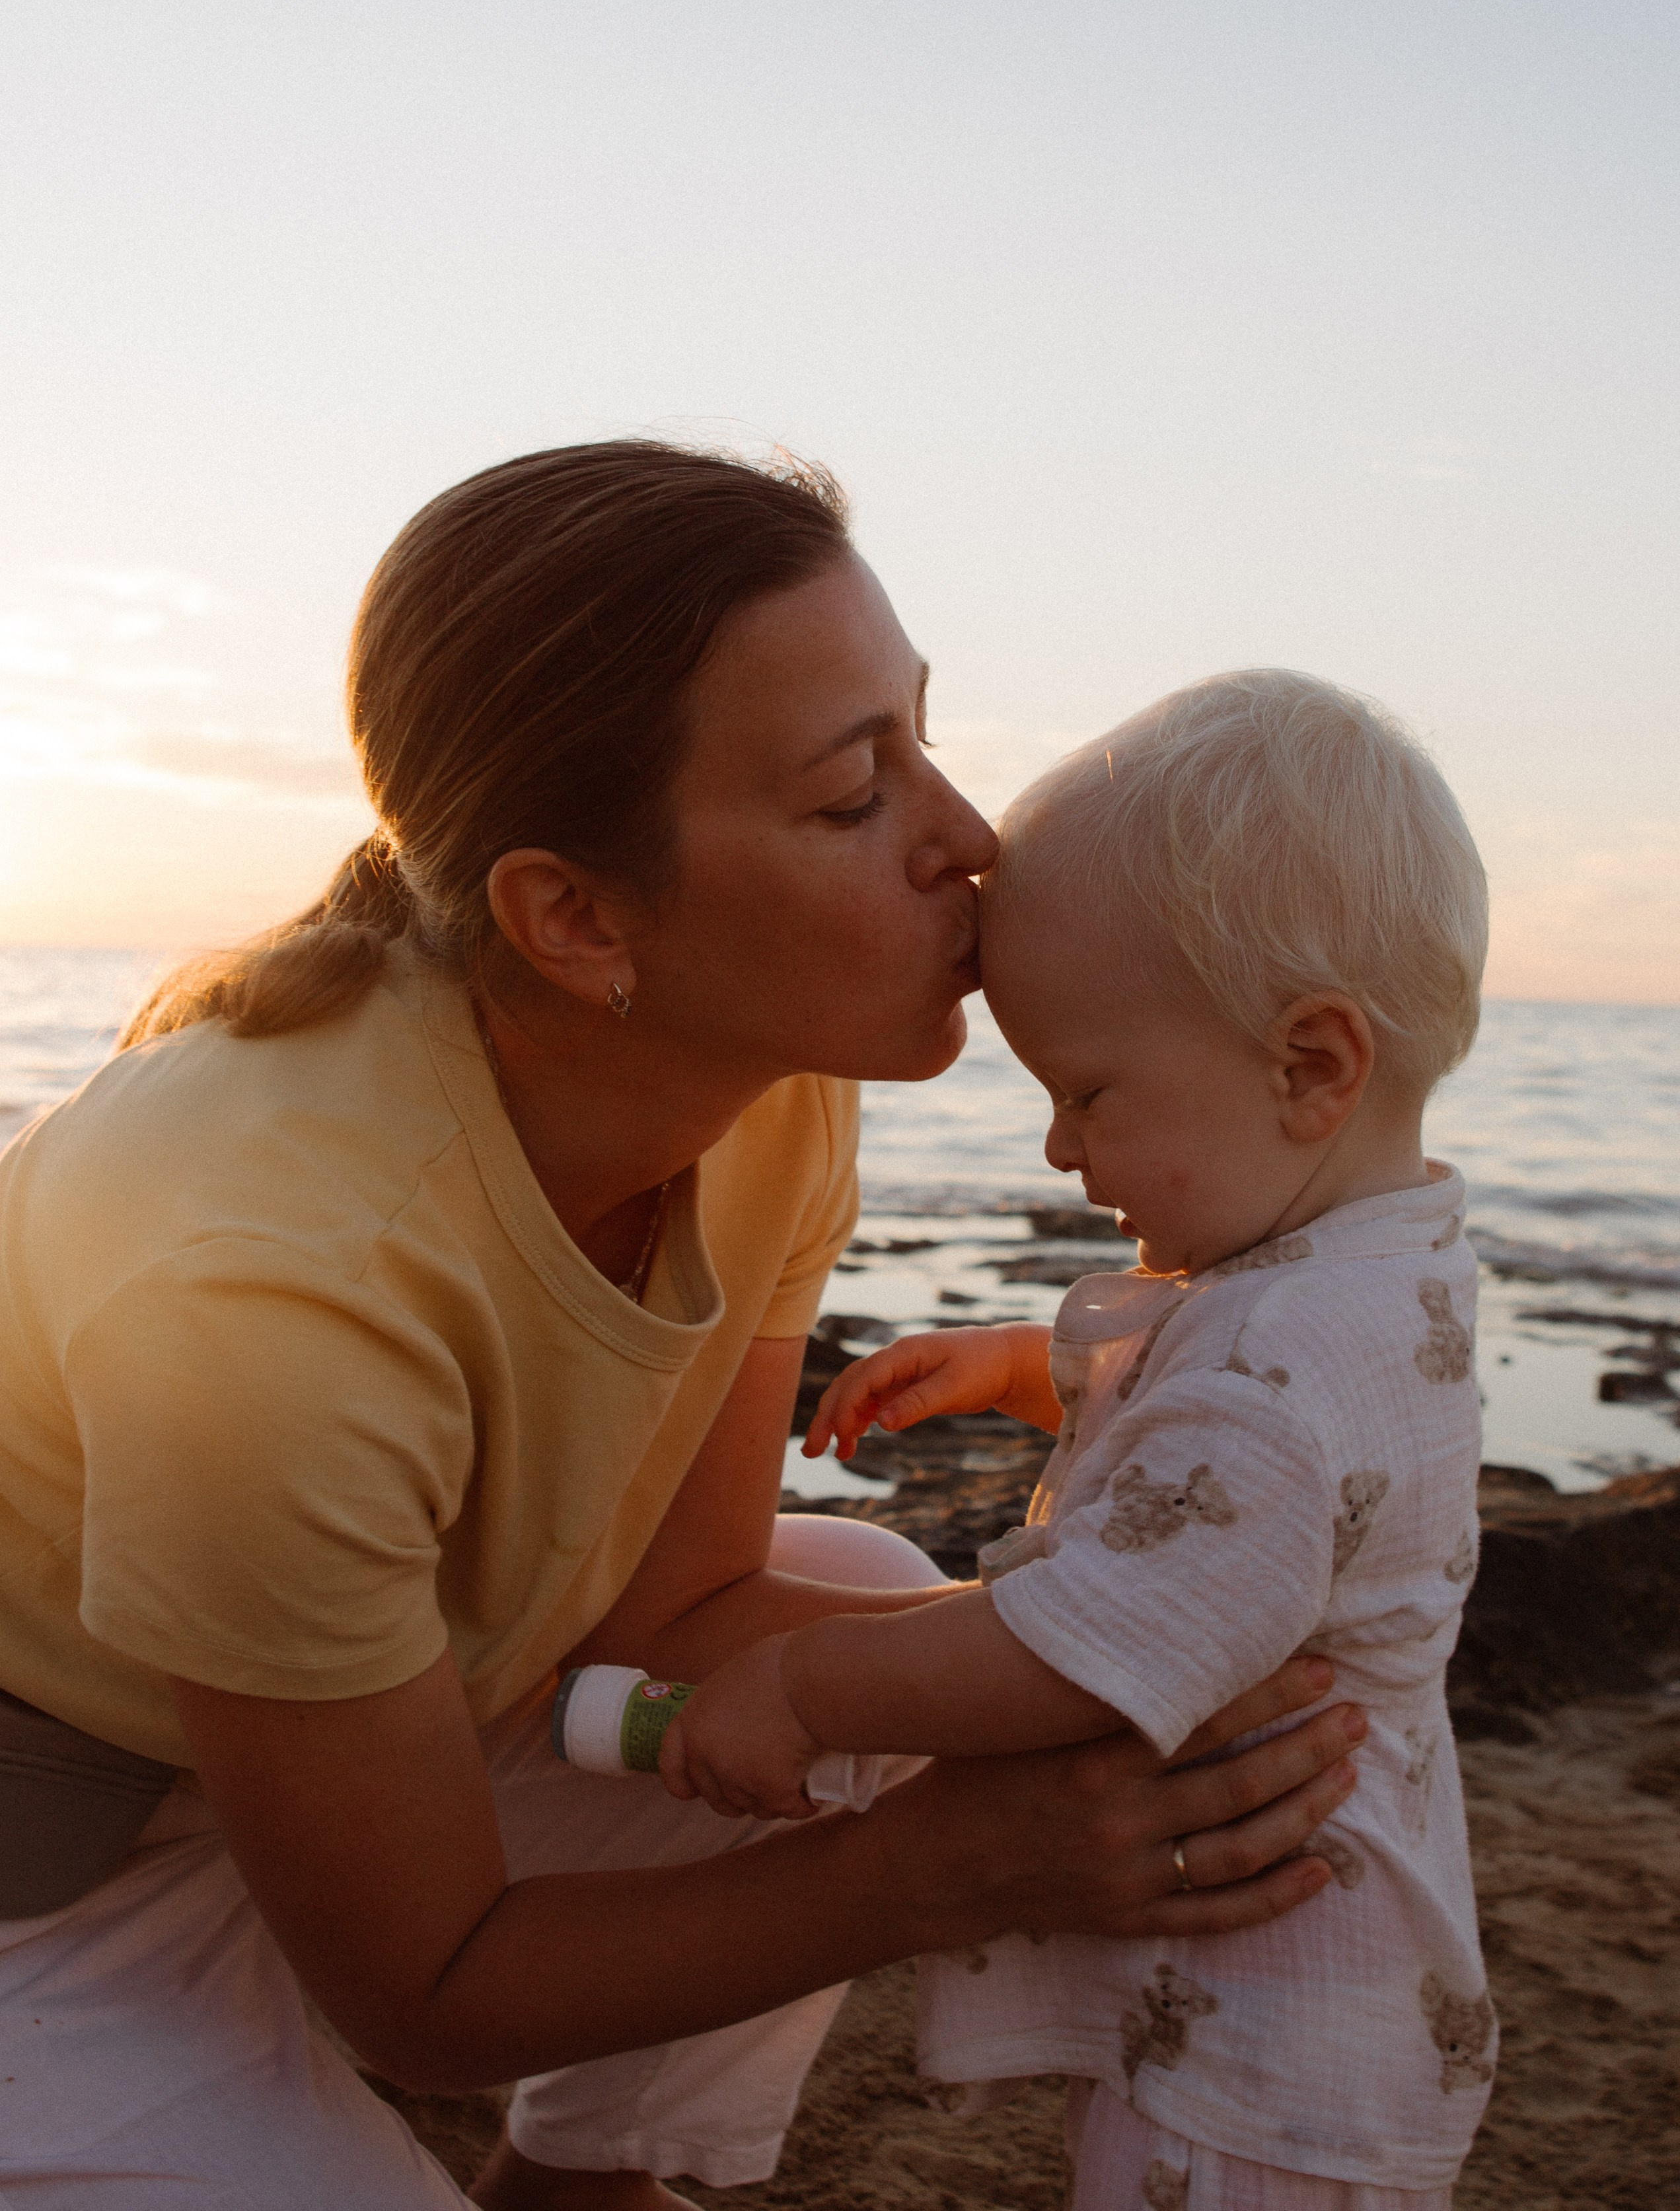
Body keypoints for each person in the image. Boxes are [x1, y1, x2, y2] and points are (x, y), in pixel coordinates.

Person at [0, 449, 1364, 2211]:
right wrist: (944, 1868)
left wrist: (1093, 1670)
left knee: (876, 1619)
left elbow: (680, 1610)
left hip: (357, 1749)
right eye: (852, 797)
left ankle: (585, 2184)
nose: (969, 841)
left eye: (925, 741)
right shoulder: (274, 1291)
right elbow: (420, 1992)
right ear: (574, 918)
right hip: (52, 1866)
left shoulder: (770, 1084)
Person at [659, 668, 1494, 2208]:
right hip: (1333, 2013)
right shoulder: (1386, 1262)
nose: (1058, 1145)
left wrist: (801, 1682)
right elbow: (1275, 1440)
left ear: (1311, 1065)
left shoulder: (1270, 1379)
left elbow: (1073, 1649)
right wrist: (1031, 1370)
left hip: (1252, 2039)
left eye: (1087, 1091)